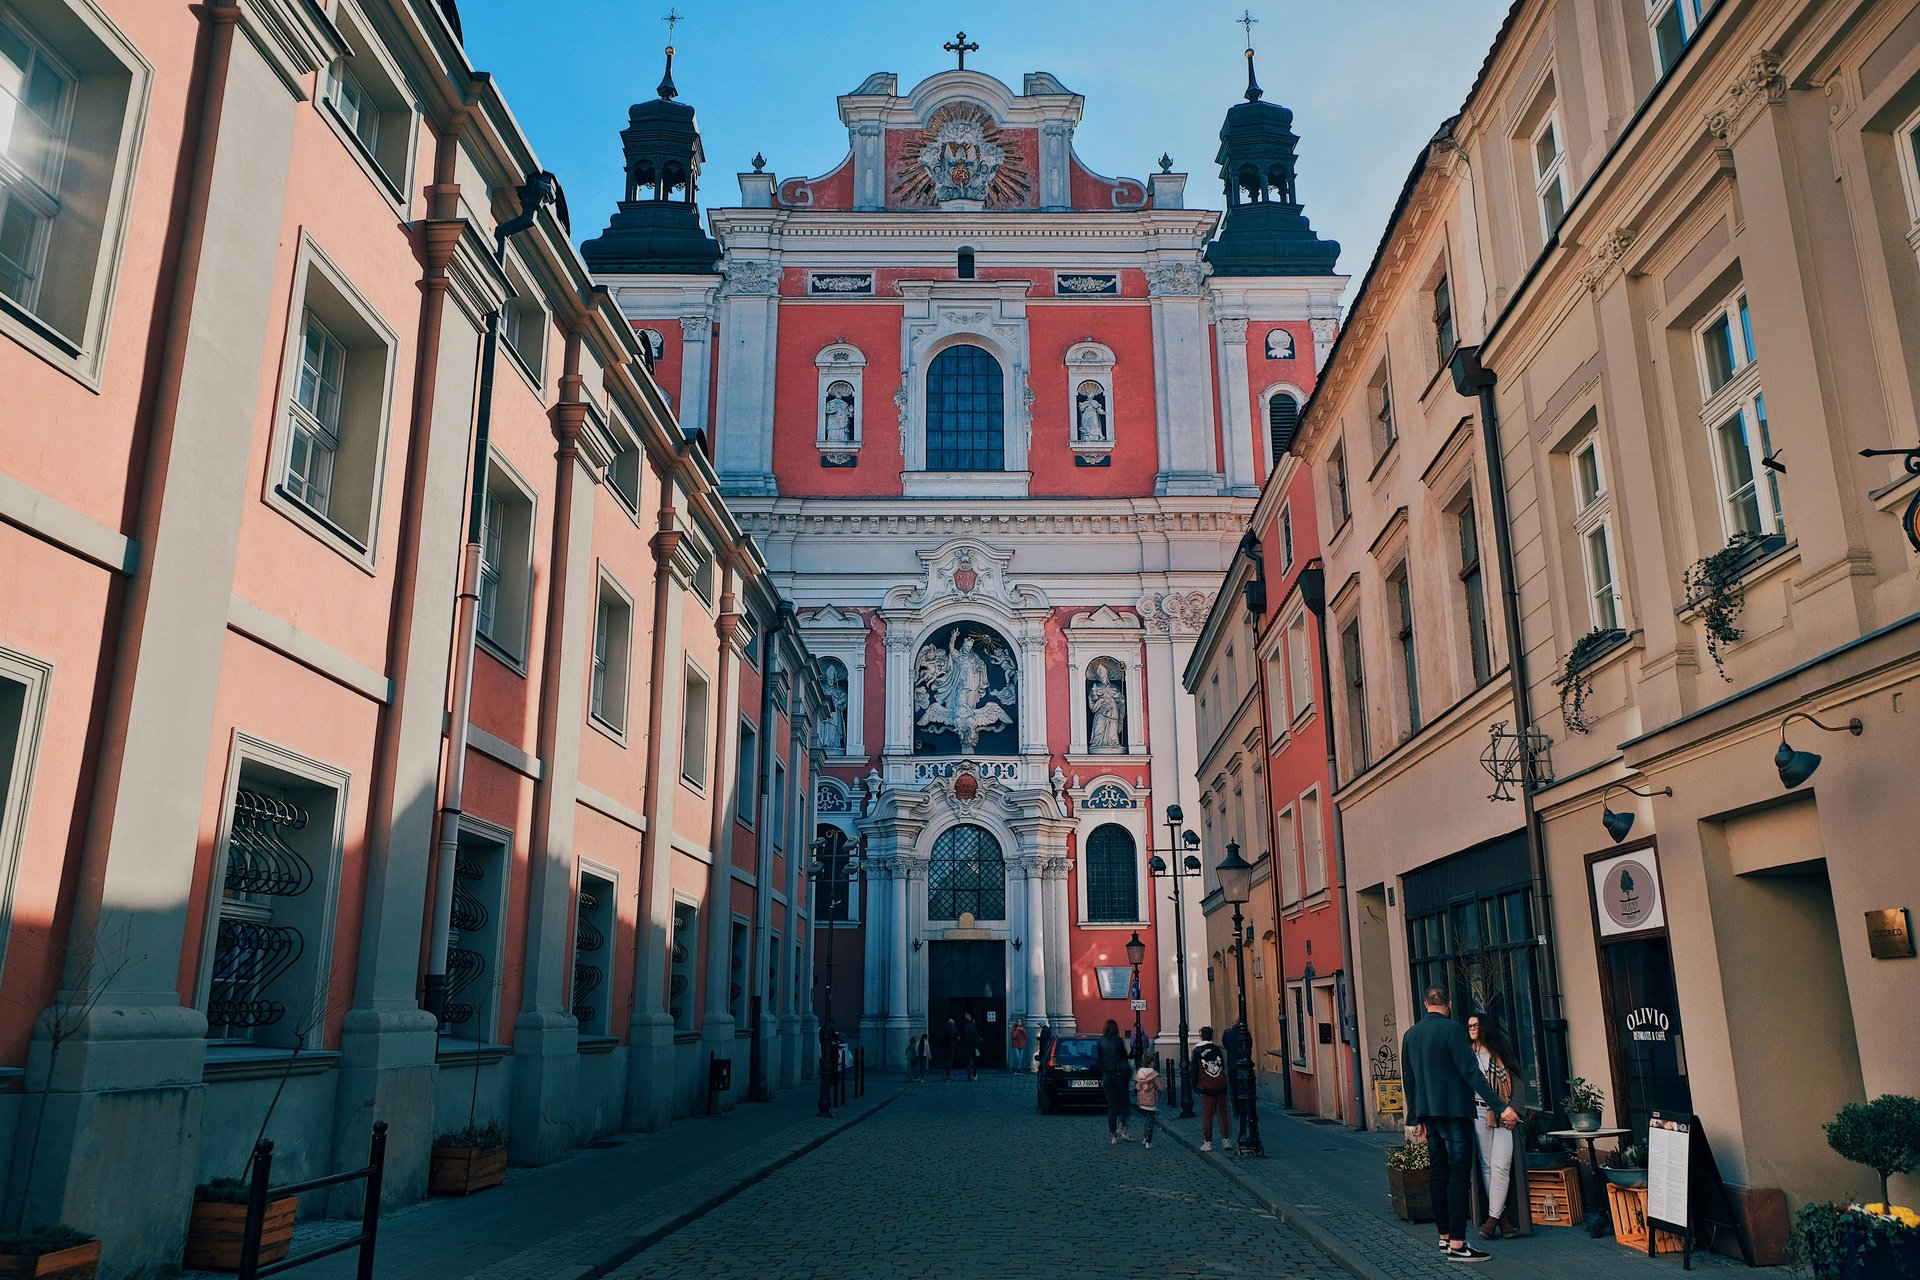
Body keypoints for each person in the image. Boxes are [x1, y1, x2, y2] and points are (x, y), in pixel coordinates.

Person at [1403, 987, 1519, 1264]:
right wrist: (1502, 1106)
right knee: (1457, 1176)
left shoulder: (1411, 1034)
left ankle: (1444, 1237)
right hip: (1455, 1114)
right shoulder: (1453, 1030)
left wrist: (1414, 1119)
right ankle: (1458, 1243)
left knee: (1438, 1175)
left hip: (1429, 1115)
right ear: (1450, 1004)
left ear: (1425, 1003)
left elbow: (1409, 1079)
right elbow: (1472, 1073)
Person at [1469, 1014, 1521, 1240]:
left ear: (1486, 1027)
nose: (1471, 1028)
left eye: (1475, 1025)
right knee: (1487, 1165)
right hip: (1477, 1112)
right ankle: (1502, 1218)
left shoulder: (1502, 1054)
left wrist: (1513, 1111)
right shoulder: (1468, 1055)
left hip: (1503, 1114)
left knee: (1502, 1165)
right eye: (1469, 1025)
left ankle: (1492, 1220)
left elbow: (1517, 1084)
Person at [1191, 1025, 1232, 1152]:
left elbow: (1194, 1071)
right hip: (1220, 1085)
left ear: (1201, 1036)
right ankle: (1226, 1140)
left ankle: (1207, 1142)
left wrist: (1194, 1086)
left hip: (1206, 1086)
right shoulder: (1217, 1049)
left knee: (1208, 1115)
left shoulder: (1197, 1051)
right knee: (1223, 1113)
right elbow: (1222, 1065)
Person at [1096, 1019, 1134, 1144]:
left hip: (1107, 1075)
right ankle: (1121, 1125)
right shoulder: (1118, 1041)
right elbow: (1124, 1056)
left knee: (1111, 1105)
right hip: (1119, 1075)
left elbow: (1099, 1059)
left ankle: (1113, 1136)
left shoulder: (1100, 1041)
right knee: (1124, 1102)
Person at [1132, 1058, 1164, 1150]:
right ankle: (1148, 1141)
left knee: (1147, 1118)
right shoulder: (1153, 1074)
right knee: (1150, 1120)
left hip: (1142, 1099)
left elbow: (1136, 1085)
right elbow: (1160, 1087)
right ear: (1150, 1063)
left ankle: (1145, 1138)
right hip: (1151, 1099)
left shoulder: (1139, 1073)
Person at [960, 1013, 982, 1082]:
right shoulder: (975, 1030)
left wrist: (964, 1046)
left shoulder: (966, 1029)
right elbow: (977, 1039)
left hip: (968, 1048)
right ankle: (974, 1075)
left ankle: (969, 1076)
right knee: (974, 1062)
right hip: (974, 1048)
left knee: (968, 1063)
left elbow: (965, 1039)